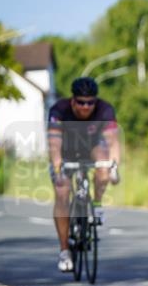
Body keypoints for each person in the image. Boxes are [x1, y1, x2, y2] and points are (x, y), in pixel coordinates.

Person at [48, 77, 120, 272]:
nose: (86, 107)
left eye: (90, 102)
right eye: (81, 102)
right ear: (73, 100)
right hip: (65, 151)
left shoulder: (105, 110)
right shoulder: (59, 110)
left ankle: (96, 205)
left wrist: (114, 166)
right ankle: (64, 252)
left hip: (92, 147)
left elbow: (113, 142)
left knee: (104, 167)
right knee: (62, 192)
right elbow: (54, 144)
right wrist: (57, 167)